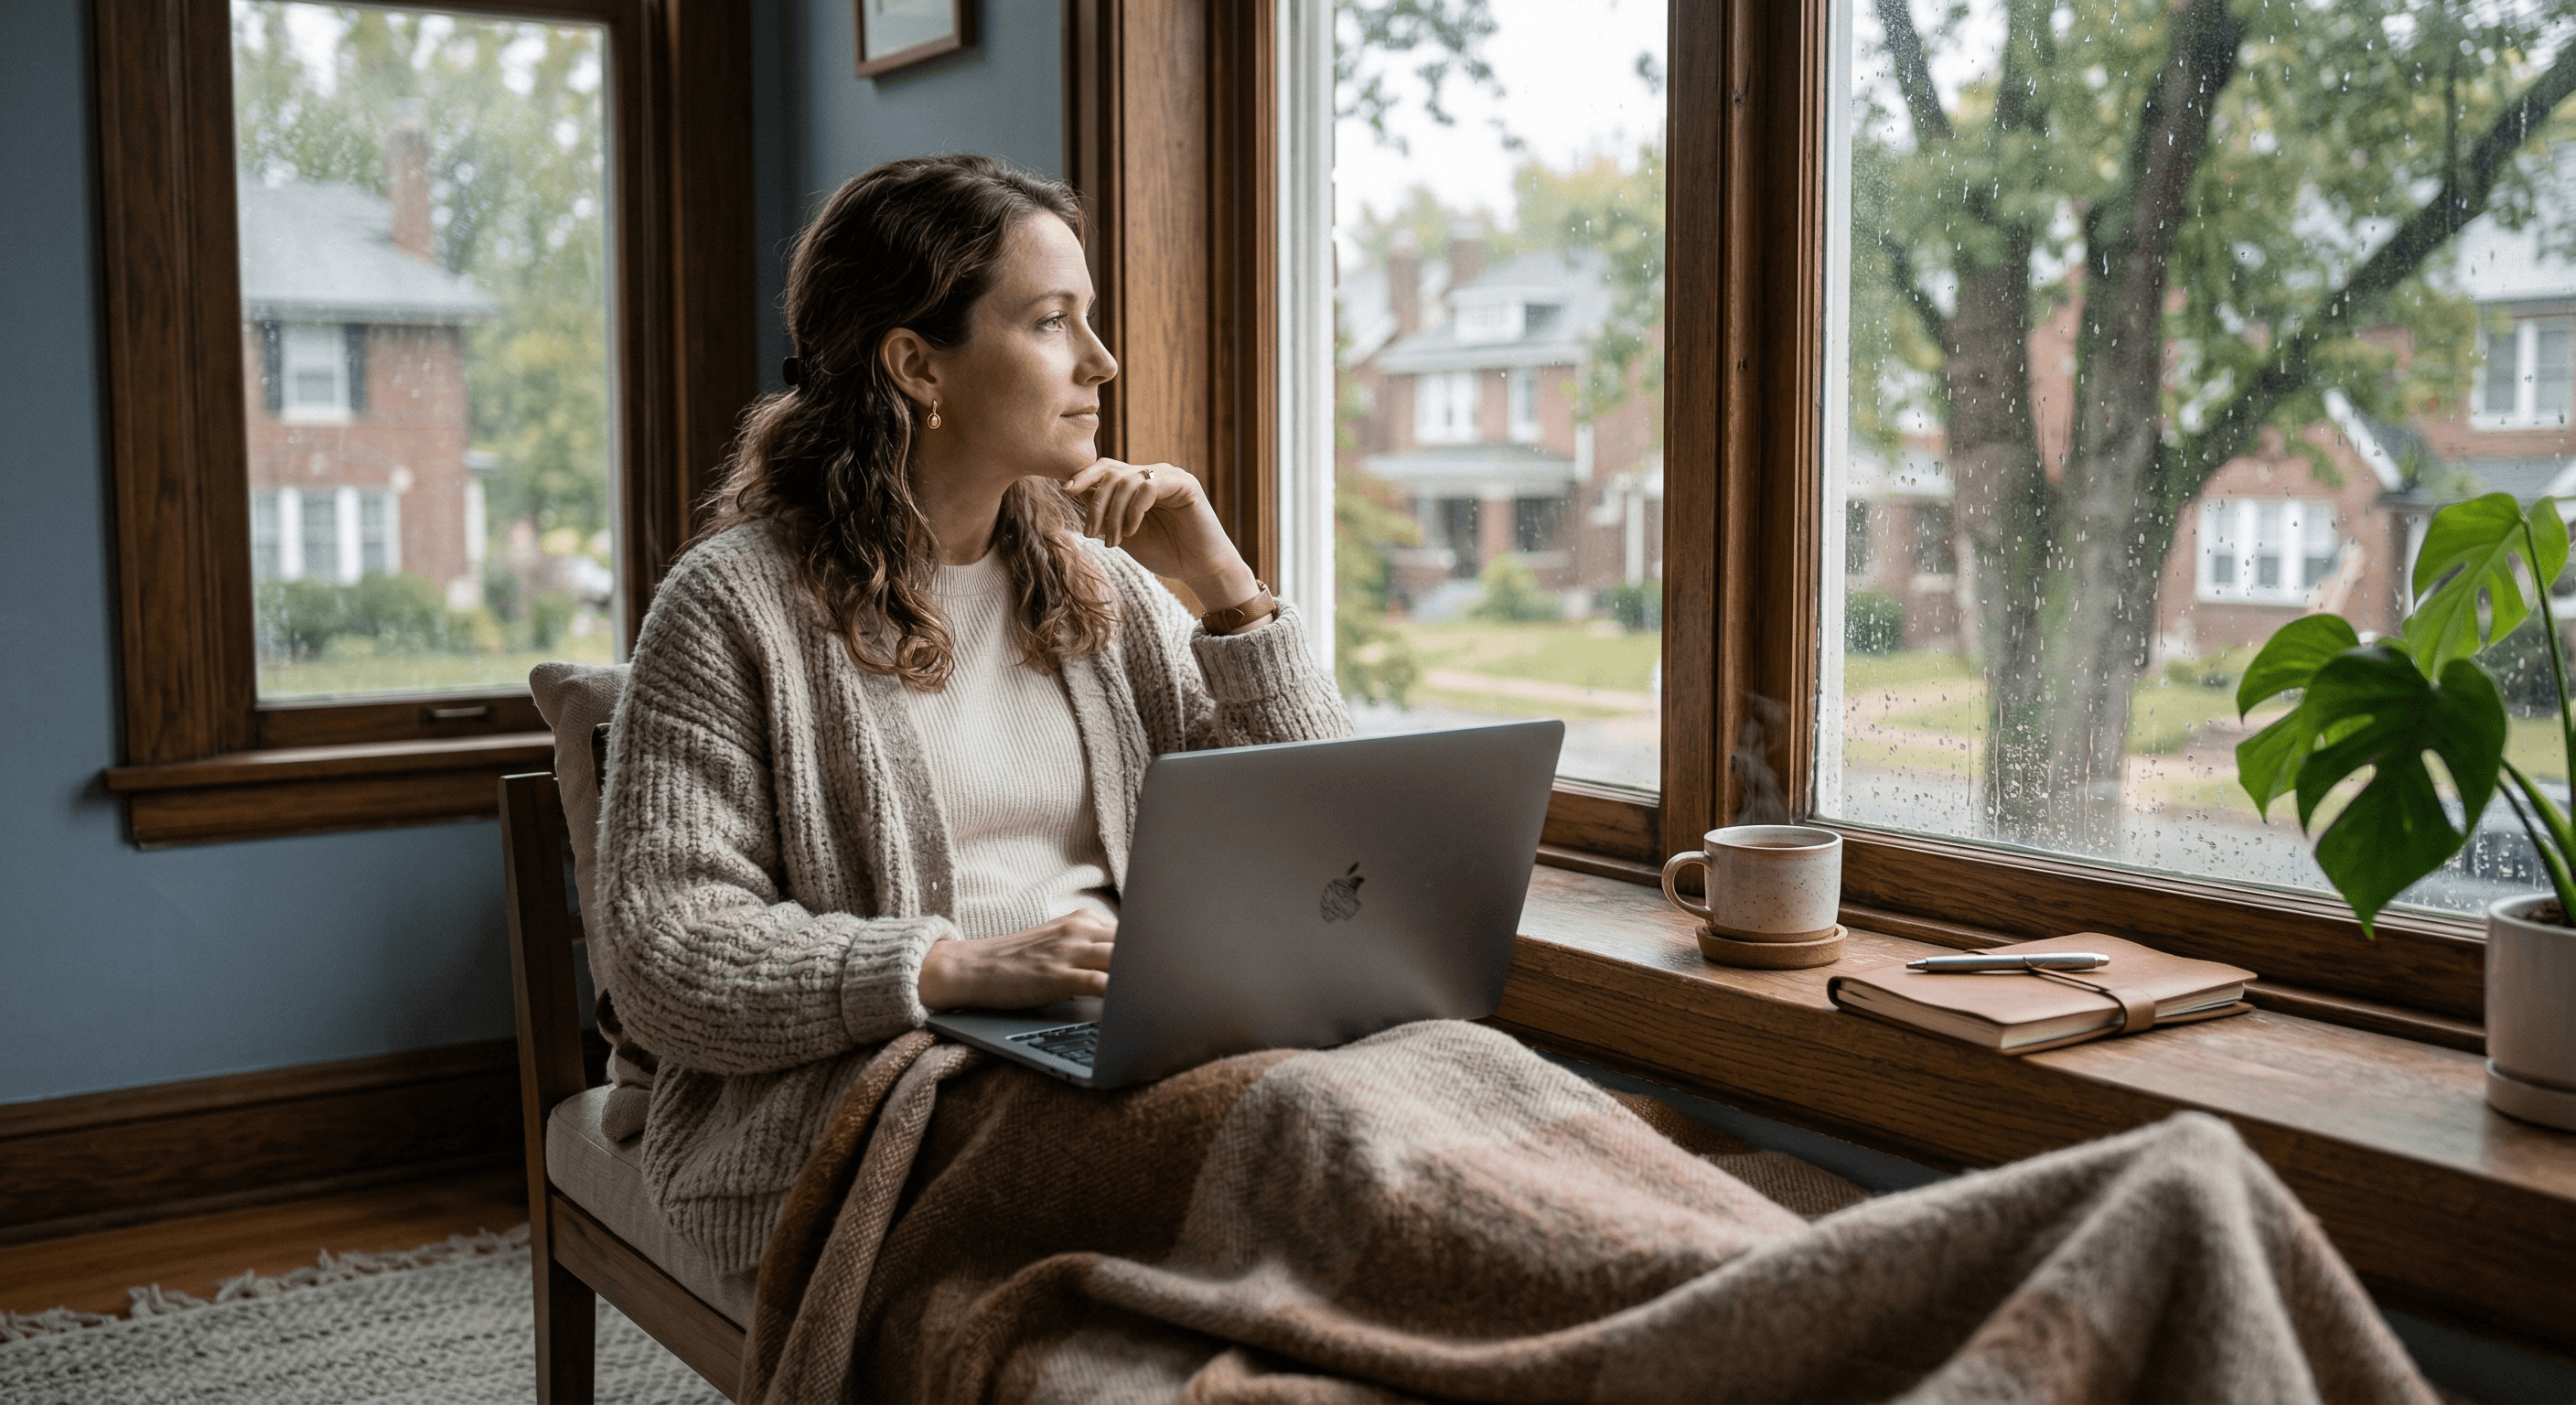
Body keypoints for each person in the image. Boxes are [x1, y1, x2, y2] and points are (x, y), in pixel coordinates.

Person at [590, 153, 1351, 1277]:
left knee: (1435, 1082)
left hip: (1124, 1036)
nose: (1100, 362)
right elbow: (663, 954)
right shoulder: (730, 606)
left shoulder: (1111, 594)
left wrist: (1227, 593)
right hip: (879, 1080)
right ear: (914, 364)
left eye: (1088, 321)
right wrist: (957, 969)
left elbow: (1327, 846)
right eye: (1051, 322)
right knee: (1296, 1137)